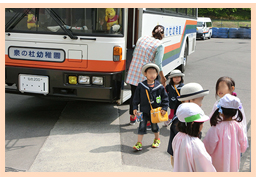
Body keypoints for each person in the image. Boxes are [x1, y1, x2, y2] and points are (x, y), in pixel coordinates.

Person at [126, 25, 166, 125]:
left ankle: (133, 117)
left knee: (135, 96)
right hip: (146, 74)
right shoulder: (159, 45)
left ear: (152, 32)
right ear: (163, 35)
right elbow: (158, 63)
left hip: (134, 71)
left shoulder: (142, 39)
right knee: (147, 99)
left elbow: (134, 53)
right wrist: (162, 77)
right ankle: (147, 122)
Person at [167, 82, 209, 167]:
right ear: (188, 100)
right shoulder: (180, 119)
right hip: (182, 156)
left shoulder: (183, 113)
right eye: (199, 100)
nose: (201, 104)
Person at [203, 94, 248, 172]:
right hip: (233, 161)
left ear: (220, 111)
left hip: (217, 162)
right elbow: (243, 143)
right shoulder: (238, 126)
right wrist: (242, 149)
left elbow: (208, 146)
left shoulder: (216, 127)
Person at [132, 63, 169, 151]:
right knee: (141, 126)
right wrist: (134, 108)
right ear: (145, 74)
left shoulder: (159, 87)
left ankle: (157, 140)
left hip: (155, 112)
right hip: (142, 111)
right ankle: (139, 143)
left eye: (154, 73)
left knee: (154, 126)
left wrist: (164, 108)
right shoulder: (141, 86)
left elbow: (165, 98)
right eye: (150, 73)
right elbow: (136, 98)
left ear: (157, 74)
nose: (152, 75)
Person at [172, 102, 216, 172]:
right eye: (201, 123)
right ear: (192, 124)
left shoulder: (177, 137)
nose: (202, 125)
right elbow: (205, 169)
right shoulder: (195, 144)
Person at [210, 76, 248, 147]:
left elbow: (242, 121)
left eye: (222, 87)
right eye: (218, 87)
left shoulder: (235, 103)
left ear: (232, 88)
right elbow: (212, 117)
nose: (219, 90)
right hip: (220, 136)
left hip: (232, 136)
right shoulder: (217, 103)